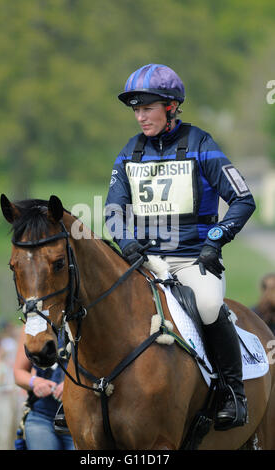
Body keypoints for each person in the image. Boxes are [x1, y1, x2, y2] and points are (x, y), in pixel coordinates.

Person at [105, 63, 256, 431]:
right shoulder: (131, 151)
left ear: (171, 107)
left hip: (192, 260)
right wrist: (125, 242)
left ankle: (232, 393)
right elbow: (112, 209)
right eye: (136, 110)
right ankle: (77, 392)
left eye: (148, 108)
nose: (140, 116)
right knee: (95, 300)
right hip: (145, 261)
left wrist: (215, 241)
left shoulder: (200, 144)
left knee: (207, 305)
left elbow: (243, 199)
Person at [14, 326, 75, 450]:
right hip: (41, 416)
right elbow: (18, 372)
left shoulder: (84, 321)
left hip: (79, 417)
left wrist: (72, 386)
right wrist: (35, 382)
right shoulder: (31, 325)